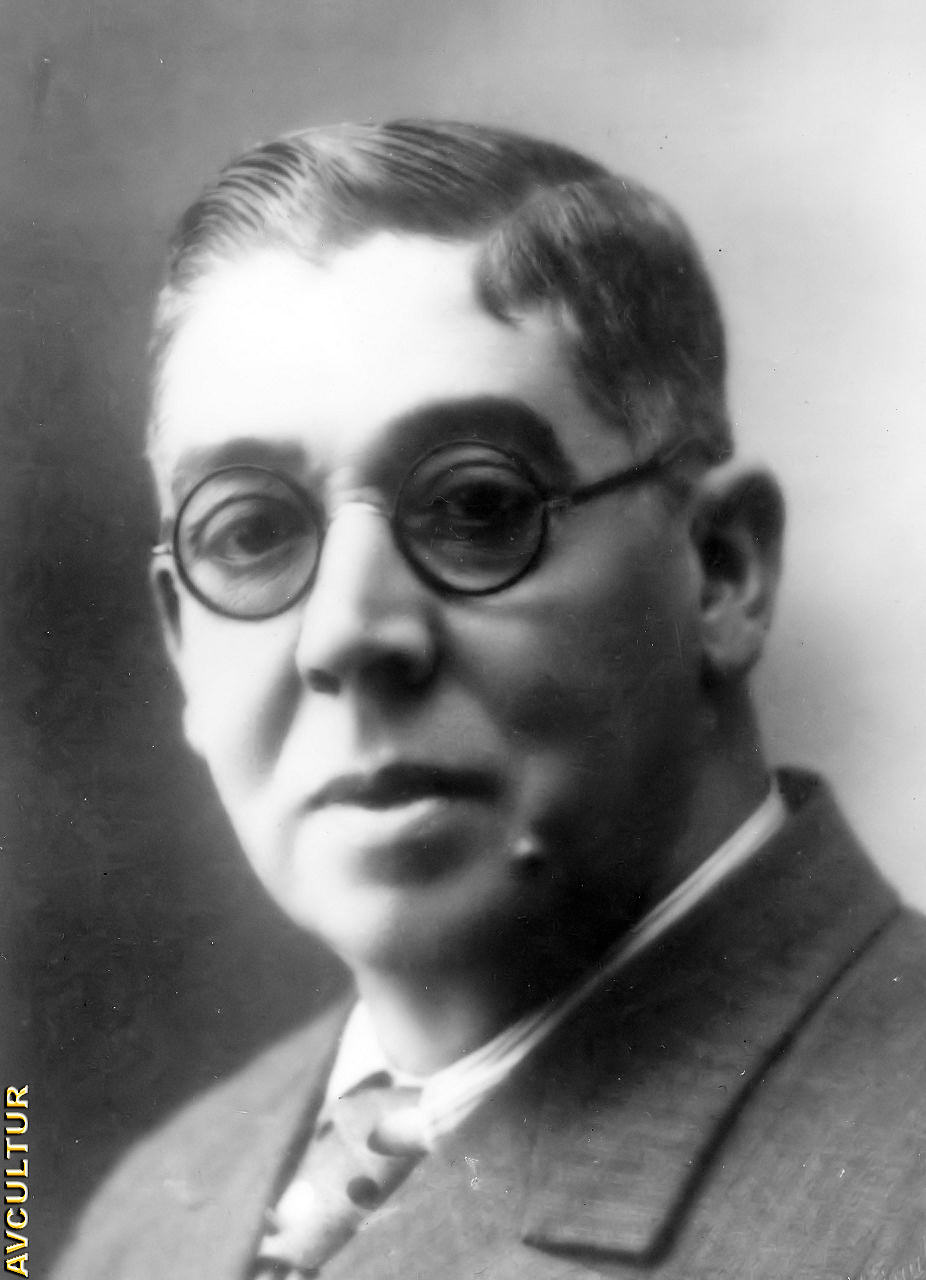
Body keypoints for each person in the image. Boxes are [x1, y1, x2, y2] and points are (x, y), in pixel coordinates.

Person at [53, 120, 926, 1280]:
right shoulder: (150, 1215)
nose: (347, 632)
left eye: (474, 507)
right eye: (250, 533)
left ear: (718, 573)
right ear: (180, 642)